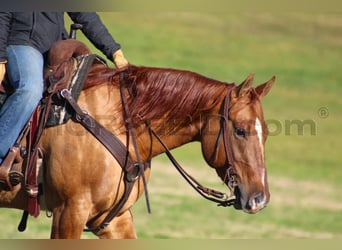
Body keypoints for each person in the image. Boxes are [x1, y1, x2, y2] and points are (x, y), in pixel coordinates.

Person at [0, 12, 128, 164]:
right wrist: (1, 60)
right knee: (30, 90)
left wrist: (114, 51)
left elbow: (85, 15)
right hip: (22, 43)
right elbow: (3, 15)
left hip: (57, 46)